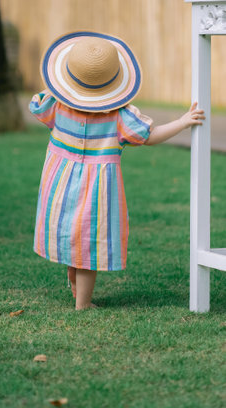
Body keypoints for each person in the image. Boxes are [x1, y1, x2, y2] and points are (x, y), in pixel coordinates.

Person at [29, 31, 205, 311]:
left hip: (59, 182)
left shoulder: (56, 104)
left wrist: (61, 86)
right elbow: (150, 135)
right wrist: (182, 122)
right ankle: (83, 303)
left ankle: (77, 291)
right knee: (87, 242)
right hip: (97, 189)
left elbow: (37, 103)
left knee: (71, 237)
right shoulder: (119, 116)